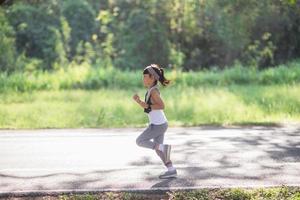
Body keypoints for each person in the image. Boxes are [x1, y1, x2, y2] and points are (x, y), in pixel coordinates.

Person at [133, 64, 177, 179]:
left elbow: (161, 105)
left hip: (158, 125)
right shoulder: (150, 90)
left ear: (152, 77)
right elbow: (148, 107)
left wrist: (146, 105)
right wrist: (138, 101)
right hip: (160, 124)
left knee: (140, 141)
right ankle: (171, 169)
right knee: (158, 150)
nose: (143, 79)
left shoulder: (153, 91)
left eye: (145, 76)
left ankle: (163, 148)